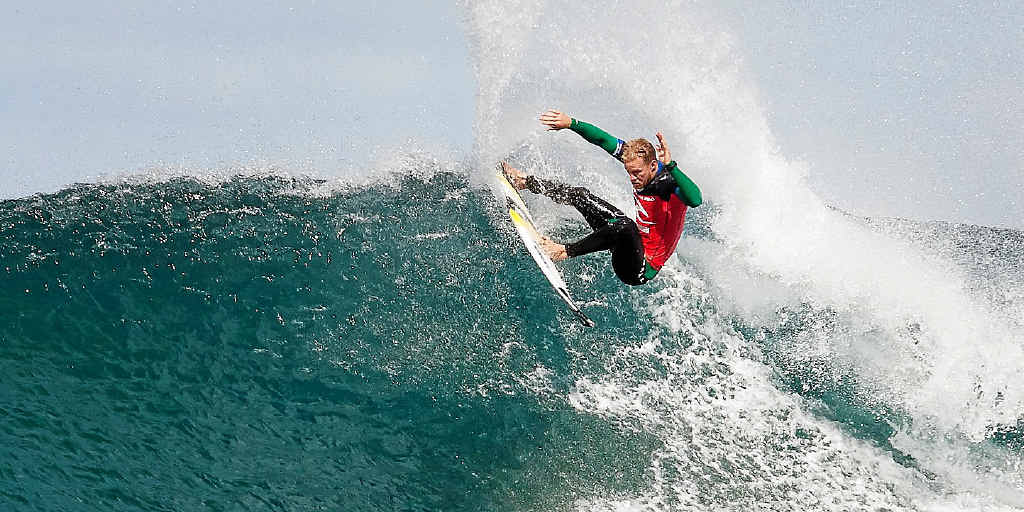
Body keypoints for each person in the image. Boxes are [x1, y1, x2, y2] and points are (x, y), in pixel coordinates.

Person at [501, 109, 702, 286]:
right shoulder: (636, 159)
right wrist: (571, 123)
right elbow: (602, 140)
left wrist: (671, 165)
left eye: (637, 173)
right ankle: (525, 182)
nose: (632, 178)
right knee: (580, 195)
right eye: (629, 172)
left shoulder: (668, 184)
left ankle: (562, 252)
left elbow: (695, 199)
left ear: (652, 165)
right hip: (625, 244)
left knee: (625, 225)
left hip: (638, 268)